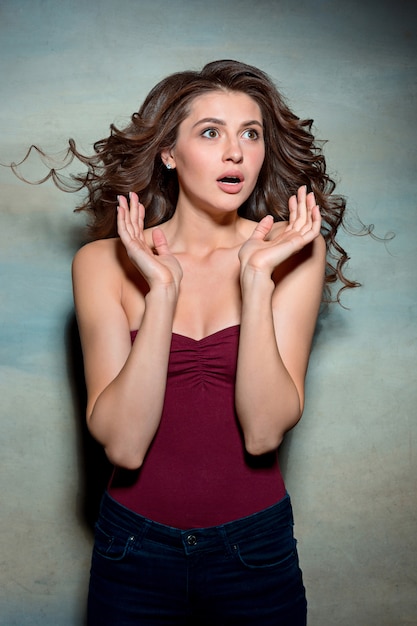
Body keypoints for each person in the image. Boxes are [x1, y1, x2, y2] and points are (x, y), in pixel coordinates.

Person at [59, 60, 356, 624]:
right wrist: (162, 291)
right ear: (170, 153)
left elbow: (264, 430)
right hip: (132, 551)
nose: (236, 152)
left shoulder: (292, 252)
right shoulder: (101, 264)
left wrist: (256, 281)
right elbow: (124, 447)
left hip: (255, 552)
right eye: (210, 132)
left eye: (251, 133)